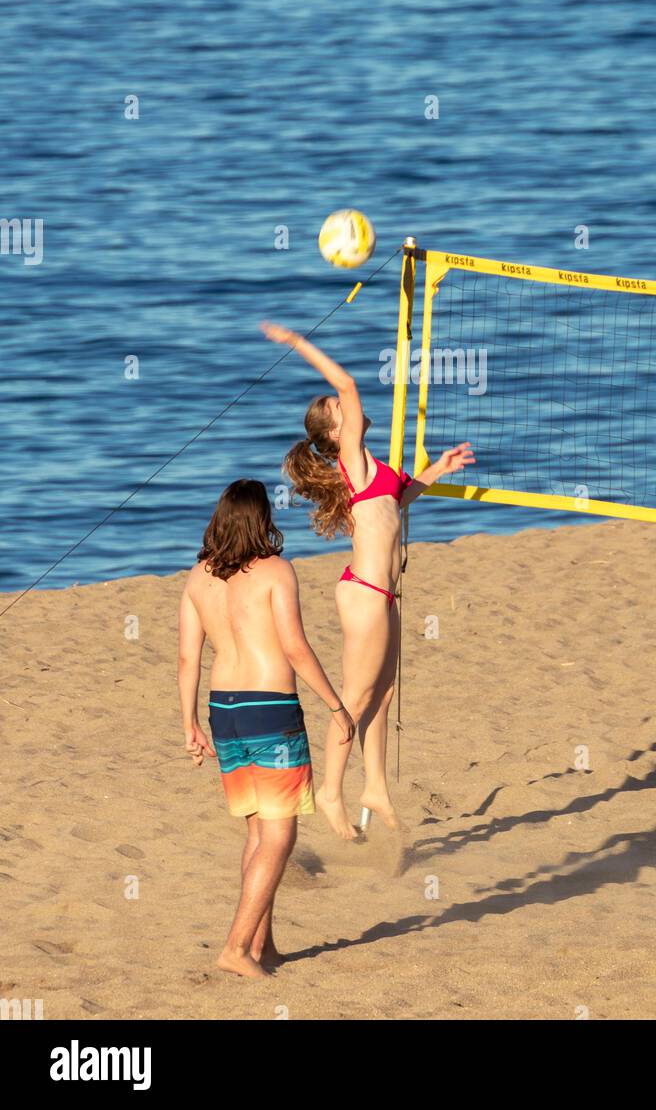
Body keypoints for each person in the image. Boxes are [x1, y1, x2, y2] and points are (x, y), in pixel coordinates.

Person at [261, 322, 474, 839]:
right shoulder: (351, 460)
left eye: (341, 405)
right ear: (336, 433)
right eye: (338, 410)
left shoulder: (374, 471)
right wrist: (298, 344)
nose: (346, 404)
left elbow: (396, 504)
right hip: (363, 594)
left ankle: (374, 785)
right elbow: (349, 385)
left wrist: (436, 470)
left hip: (384, 593)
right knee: (354, 700)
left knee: (382, 691)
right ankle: (330, 791)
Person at [177, 478, 354, 979]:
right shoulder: (277, 571)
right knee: (279, 837)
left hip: (223, 709)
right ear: (263, 520)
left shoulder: (198, 578)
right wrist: (337, 706)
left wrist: (188, 723)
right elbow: (295, 647)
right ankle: (235, 947)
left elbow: (188, 657)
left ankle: (263, 945)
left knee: (258, 829)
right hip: (270, 707)